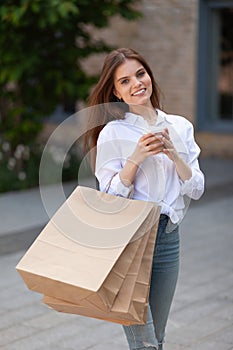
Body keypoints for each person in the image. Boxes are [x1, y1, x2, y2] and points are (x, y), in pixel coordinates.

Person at [84, 48, 205, 350]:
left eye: (140, 74)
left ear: (149, 75)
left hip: (167, 238)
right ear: (116, 92)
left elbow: (197, 189)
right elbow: (109, 196)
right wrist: (135, 159)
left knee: (157, 339)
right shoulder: (113, 132)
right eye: (124, 81)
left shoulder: (180, 126)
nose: (136, 84)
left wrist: (174, 154)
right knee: (145, 344)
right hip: (131, 239)